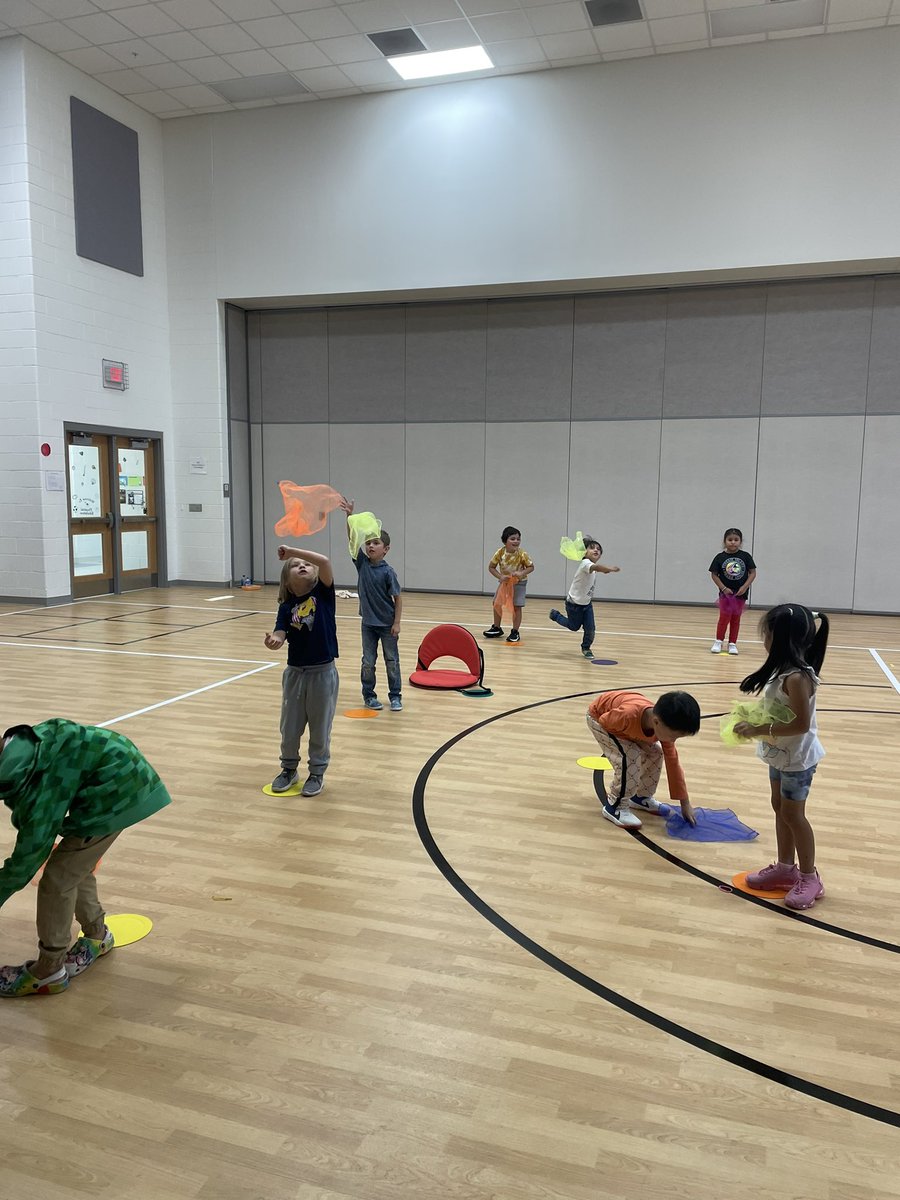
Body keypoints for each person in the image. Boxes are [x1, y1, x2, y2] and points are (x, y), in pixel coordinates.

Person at [0, 719, 171, 998]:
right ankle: (97, 936)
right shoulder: (21, 753)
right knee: (73, 867)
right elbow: (29, 813)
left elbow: (28, 856)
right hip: (115, 773)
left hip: (116, 793)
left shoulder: (39, 781)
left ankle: (48, 971)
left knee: (57, 880)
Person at [733, 604, 829, 911]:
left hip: (798, 758)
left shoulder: (798, 678)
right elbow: (781, 710)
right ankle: (786, 868)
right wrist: (753, 718)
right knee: (780, 808)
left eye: (767, 633)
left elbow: (800, 723)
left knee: (793, 815)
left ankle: (810, 877)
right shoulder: (781, 670)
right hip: (781, 753)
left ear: (781, 638)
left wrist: (759, 727)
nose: (764, 639)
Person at [265, 543, 339, 797]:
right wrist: (274, 641)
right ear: (287, 581)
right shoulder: (286, 607)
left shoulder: (323, 594)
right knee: (290, 727)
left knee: (320, 728)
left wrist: (293, 551)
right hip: (295, 674)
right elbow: (280, 632)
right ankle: (288, 769)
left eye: (306, 564)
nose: (303, 565)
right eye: (295, 565)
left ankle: (317, 773)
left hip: (323, 673)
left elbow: (325, 561)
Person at [586, 690, 700, 829]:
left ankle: (640, 797)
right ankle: (615, 806)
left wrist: (685, 802)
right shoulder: (628, 715)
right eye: (673, 736)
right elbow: (605, 721)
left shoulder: (661, 723)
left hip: (617, 721)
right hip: (599, 719)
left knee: (655, 752)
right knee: (629, 756)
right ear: (656, 722)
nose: (673, 740)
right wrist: (634, 740)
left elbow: (673, 764)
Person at [340, 498, 403, 712]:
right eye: (368, 543)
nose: (370, 546)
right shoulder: (361, 564)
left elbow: (398, 598)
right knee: (368, 662)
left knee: (391, 661)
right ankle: (369, 696)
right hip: (368, 624)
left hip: (387, 625)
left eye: (375, 543)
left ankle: (395, 696)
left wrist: (396, 623)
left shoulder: (388, 572)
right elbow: (352, 538)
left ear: (385, 549)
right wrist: (349, 516)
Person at [549, 537, 620, 658]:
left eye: (598, 549)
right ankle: (555, 615)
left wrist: (604, 570)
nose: (596, 550)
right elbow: (596, 568)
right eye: (592, 548)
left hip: (586, 604)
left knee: (590, 629)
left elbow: (596, 568)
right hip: (574, 604)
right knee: (574, 627)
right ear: (584, 552)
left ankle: (586, 648)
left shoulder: (591, 565)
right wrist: (608, 569)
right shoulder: (585, 563)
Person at [483, 526, 535, 643]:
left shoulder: (522, 554)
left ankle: (515, 632)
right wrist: (500, 577)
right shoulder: (500, 552)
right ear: (505, 541)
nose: (516, 541)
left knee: (516, 606)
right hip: (505, 583)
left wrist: (522, 573)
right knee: (496, 602)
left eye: (518, 539)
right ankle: (497, 628)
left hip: (519, 583)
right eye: (512, 539)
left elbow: (531, 567)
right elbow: (491, 567)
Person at [709, 528, 756, 655]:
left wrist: (745, 587)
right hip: (726, 594)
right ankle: (718, 641)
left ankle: (732, 643)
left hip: (740, 593)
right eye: (730, 540)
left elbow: (752, 573)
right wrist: (723, 588)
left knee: (736, 619)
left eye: (736, 540)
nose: (733, 542)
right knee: (724, 618)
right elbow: (714, 575)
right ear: (725, 541)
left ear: (740, 542)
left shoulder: (745, 556)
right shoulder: (720, 557)